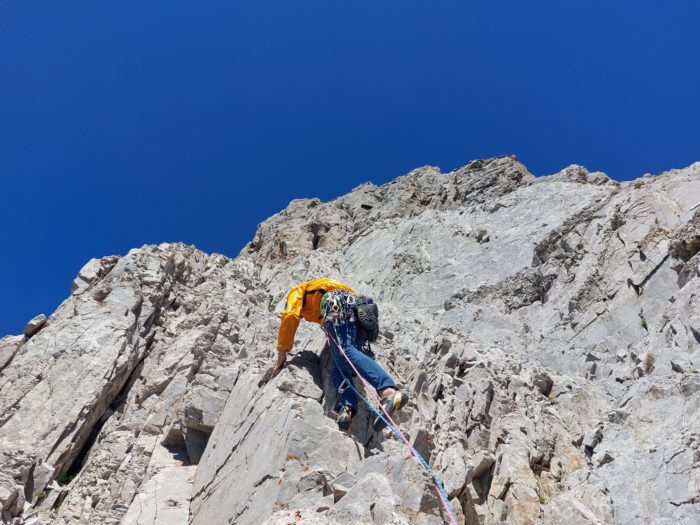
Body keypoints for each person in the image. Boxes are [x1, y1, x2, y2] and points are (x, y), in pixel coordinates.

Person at [271, 278, 408, 431]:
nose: (302, 317)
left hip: (338, 305)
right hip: (357, 312)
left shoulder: (297, 292)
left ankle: (389, 391)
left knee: (345, 353)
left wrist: (282, 353)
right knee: (341, 362)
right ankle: (346, 408)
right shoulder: (318, 292)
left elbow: (290, 316)